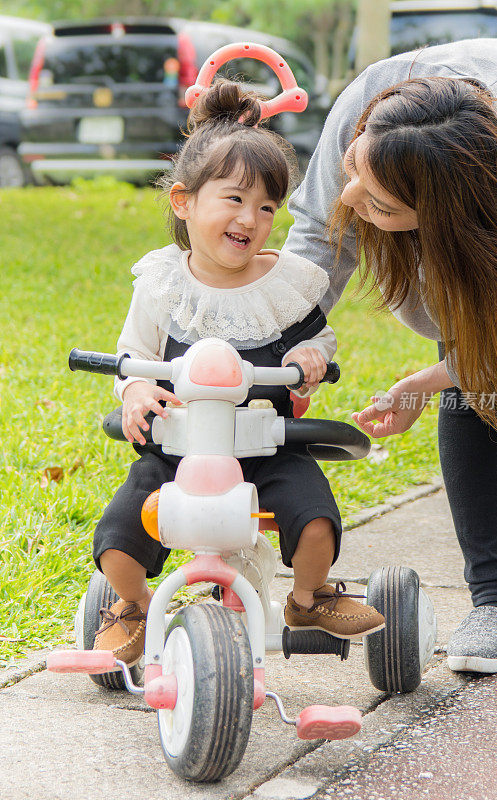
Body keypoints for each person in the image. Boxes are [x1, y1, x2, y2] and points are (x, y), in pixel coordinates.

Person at [91, 80, 384, 666]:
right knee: (120, 536)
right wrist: (137, 389)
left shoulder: (286, 283)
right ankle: (132, 604)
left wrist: (309, 360)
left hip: (267, 445)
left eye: (268, 206)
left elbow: (316, 340)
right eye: (233, 199)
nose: (251, 218)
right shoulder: (162, 285)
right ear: (184, 202)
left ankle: (308, 596)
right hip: (178, 448)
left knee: (315, 518)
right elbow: (131, 356)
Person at [284, 37, 497, 674]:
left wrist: (435, 376)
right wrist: (271, 346)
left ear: (450, 220)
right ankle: (495, 601)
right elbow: (315, 237)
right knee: (473, 391)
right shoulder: (370, 104)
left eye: (380, 204)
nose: (350, 201)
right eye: (353, 172)